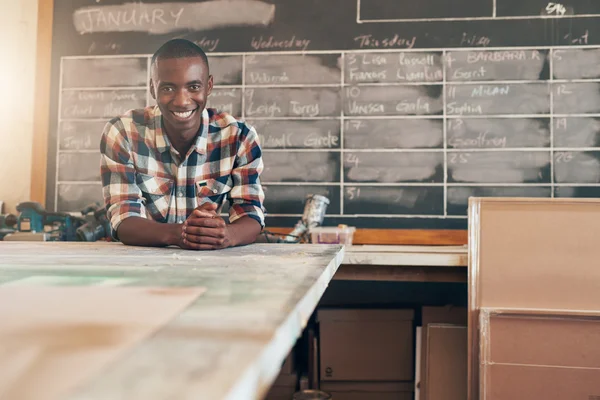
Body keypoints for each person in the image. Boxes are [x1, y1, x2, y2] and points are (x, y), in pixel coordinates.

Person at [100, 39, 265, 250]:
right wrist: (182, 233)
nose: (181, 101)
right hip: (142, 266)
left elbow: (251, 213)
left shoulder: (240, 137)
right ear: (152, 88)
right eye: (168, 88)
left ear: (209, 86)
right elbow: (122, 219)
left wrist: (227, 234)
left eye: (194, 87)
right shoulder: (123, 133)